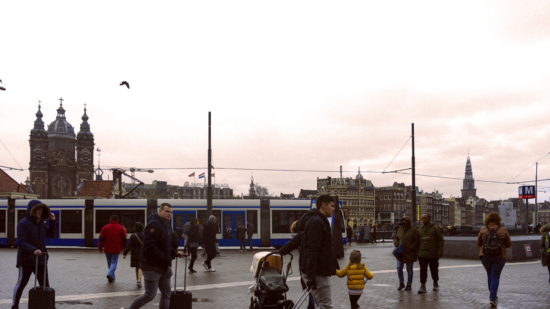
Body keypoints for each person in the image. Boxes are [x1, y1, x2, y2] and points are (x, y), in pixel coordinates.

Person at [128, 203, 184, 309]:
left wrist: (175, 252)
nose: (170, 214)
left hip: (163, 266)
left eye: (171, 212)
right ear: (160, 211)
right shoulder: (154, 224)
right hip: (152, 266)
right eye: (167, 211)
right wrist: (164, 258)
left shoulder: (164, 225)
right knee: (150, 295)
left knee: (167, 293)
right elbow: (150, 246)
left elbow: (164, 246)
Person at [11, 200, 56, 309]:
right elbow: (21, 242)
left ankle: (50, 306)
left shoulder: (41, 223)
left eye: (41, 209)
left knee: (45, 285)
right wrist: (33, 250)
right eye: (38, 209)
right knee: (21, 284)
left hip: (40, 260)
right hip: (26, 260)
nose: (40, 212)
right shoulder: (23, 223)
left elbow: (51, 235)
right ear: (32, 210)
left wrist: (53, 221)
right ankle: (14, 305)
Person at [299, 194, 339, 309]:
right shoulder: (317, 222)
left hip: (317, 271)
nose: (334, 208)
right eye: (332, 206)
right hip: (318, 272)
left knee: (322, 304)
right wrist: (311, 276)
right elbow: (313, 249)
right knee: (325, 305)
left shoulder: (317, 220)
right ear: (323, 205)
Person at [477, 212, 512, 307]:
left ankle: (493, 295)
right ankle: (492, 297)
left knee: (490, 275)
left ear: (487, 220)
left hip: (485, 256)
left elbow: (479, 243)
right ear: (498, 220)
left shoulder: (483, 229)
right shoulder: (503, 230)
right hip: (499, 257)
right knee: (495, 276)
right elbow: (509, 244)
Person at [416, 214, 444, 294]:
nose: (423, 220)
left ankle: (435, 283)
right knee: (423, 271)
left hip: (433, 254)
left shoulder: (435, 228)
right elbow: (417, 241)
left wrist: (440, 251)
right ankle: (422, 286)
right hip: (422, 254)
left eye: (425, 218)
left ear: (429, 219)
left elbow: (440, 240)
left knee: (434, 270)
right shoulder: (420, 229)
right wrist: (417, 252)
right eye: (422, 218)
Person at [393, 216, 420, 291]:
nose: (404, 223)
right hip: (400, 253)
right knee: (399, 268)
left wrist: (411, 248)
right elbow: (396, 238)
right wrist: (396, 243)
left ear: (408, 223)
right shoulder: (400, 230)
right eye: (403, 222)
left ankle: (409, 284)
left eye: (405, 222)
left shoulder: (413, 231)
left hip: (409, 253)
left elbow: (417, 241)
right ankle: (401, 283)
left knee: (409, 269)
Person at [98, 214, 127, 283]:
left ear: (110, 220)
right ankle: (110, 274)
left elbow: (101, 238)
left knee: (109, 263)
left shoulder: (105, 227)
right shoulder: (120, 228)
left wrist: (100, 247)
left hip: (107, 248)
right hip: (116, 248)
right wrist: (125, 247)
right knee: (114, 262)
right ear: (117, 220)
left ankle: (111, 277)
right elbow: (124, 239)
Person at [123, 222, 145, 287]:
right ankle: (140, 280)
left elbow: (129, 246)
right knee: (141, 267)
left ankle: (138, 280)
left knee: (137, 267)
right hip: (143, 253)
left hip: (135, 254)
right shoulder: (145, 235)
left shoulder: (133, 236)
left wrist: (125, 253)